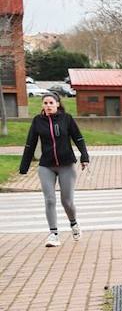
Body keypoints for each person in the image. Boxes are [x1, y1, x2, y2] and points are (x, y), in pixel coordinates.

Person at [18, 93, 90, 247]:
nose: (48, 105)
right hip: (46, 166)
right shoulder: (38, 121)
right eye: (45, 103)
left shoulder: (67, 119)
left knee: (67, 201)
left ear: (57, 104)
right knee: (49, 199)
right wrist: (24, 166)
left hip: (66, 165)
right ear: (42, 105)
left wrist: (84, 157)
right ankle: (53, 234)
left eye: (51, 102)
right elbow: (30, 143)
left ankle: (74, 224)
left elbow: (78, 138)